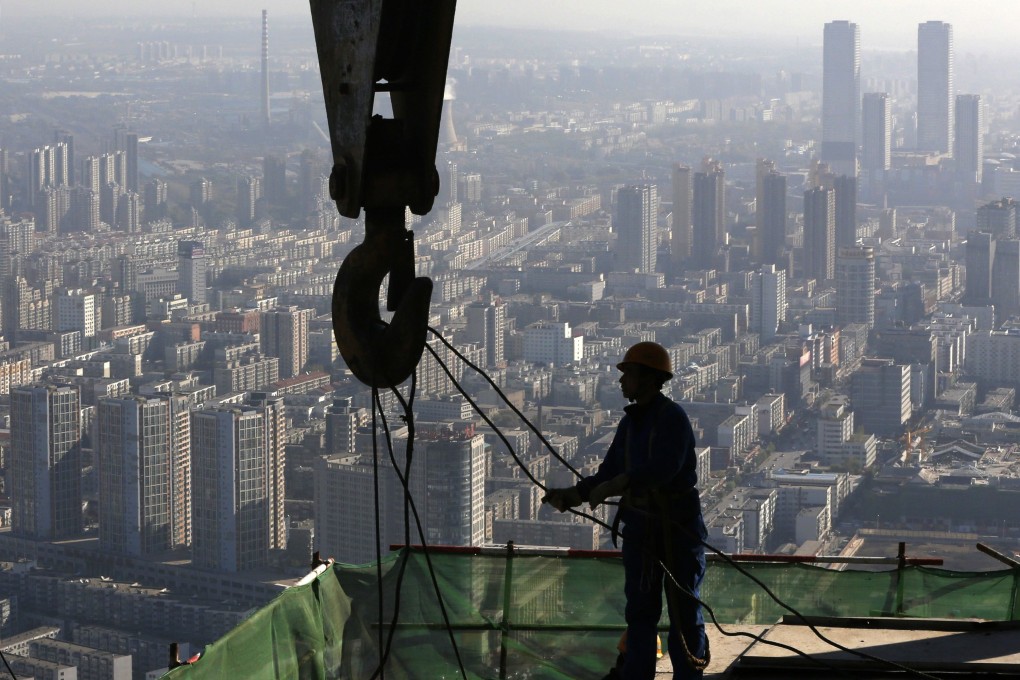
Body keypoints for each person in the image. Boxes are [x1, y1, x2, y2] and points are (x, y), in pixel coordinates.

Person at [542, 342, 709, 680]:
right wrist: (574, 495)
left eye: (628, 374)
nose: (621, 382)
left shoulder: (672, 418)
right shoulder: (630, 425)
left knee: (683, 610)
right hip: (642, 529)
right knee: (640, 613)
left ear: (648, 378)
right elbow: (608, 472)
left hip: (676, 528)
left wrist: (619, 483)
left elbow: (664, 467)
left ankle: (689, 675)